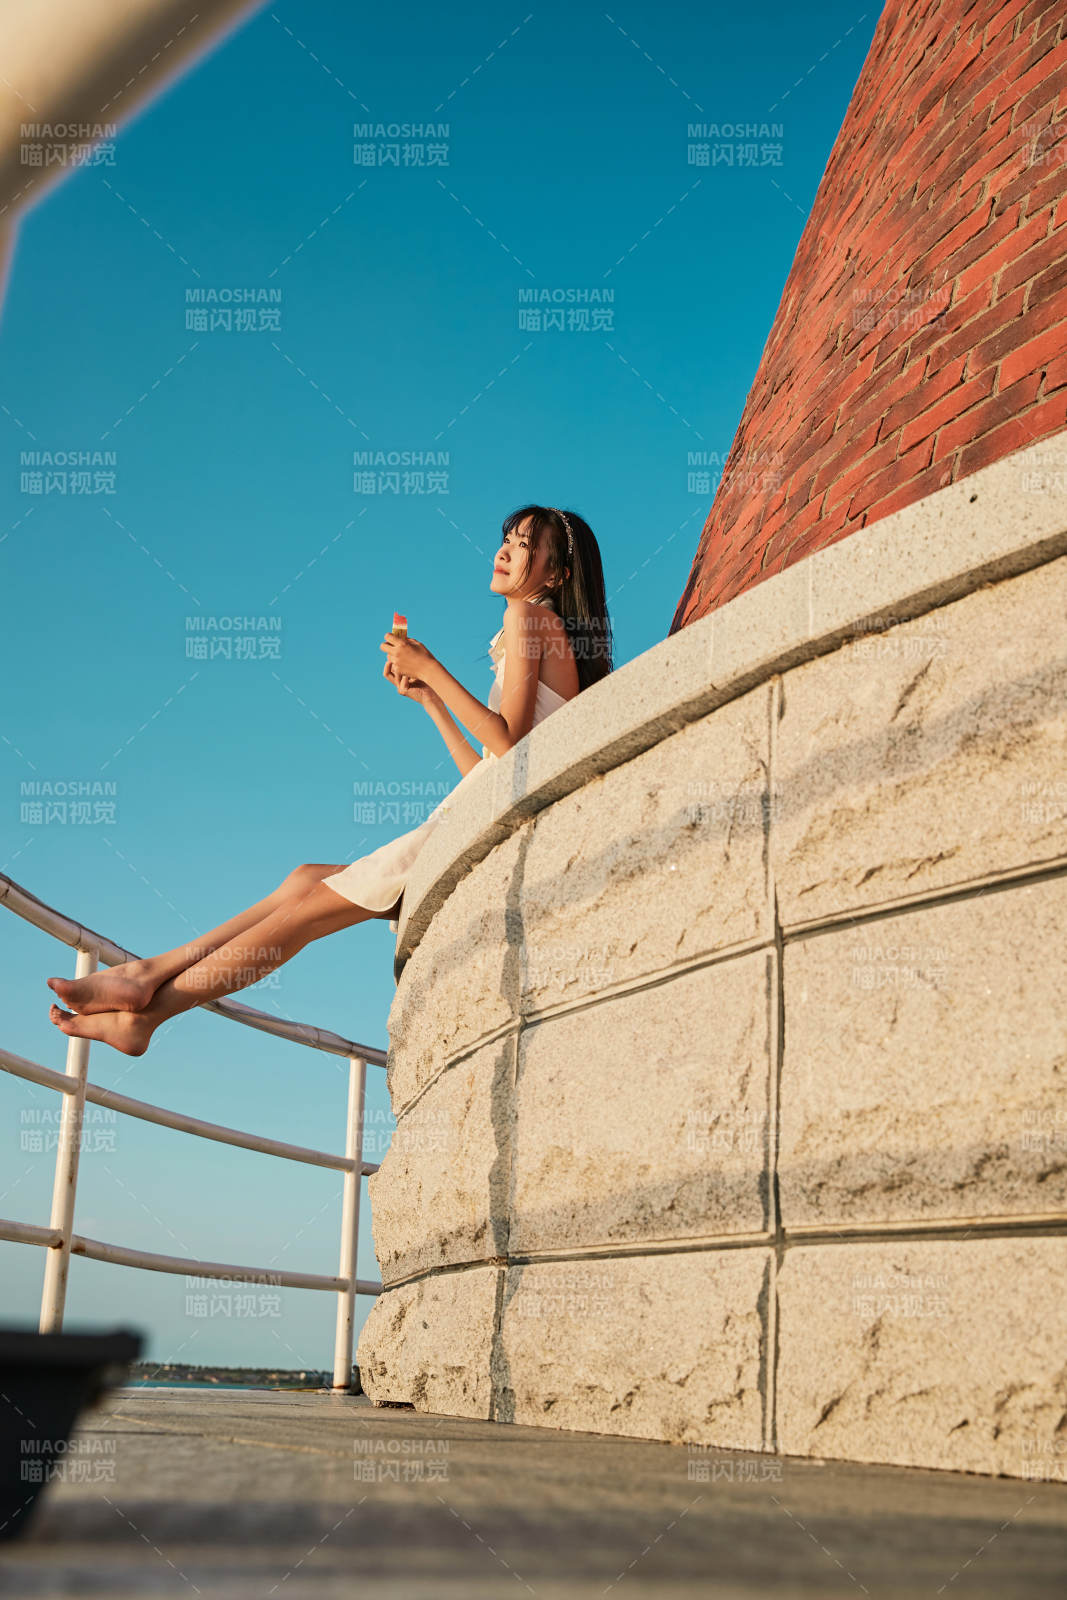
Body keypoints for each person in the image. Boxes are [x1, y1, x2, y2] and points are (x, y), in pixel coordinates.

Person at [46, 506, 613, 1056]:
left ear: (557, 574)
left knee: (305, 913)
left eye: (524, 544)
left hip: (486, 826)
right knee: (306, 879)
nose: (504, 551)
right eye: (507, 539)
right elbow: (489, 773)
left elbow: (507, 743)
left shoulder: (529, 618)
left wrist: (430, 665)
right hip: (484, 813)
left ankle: (149, 1011)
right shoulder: (541, 626)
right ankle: (149, 975)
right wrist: (432, 701)